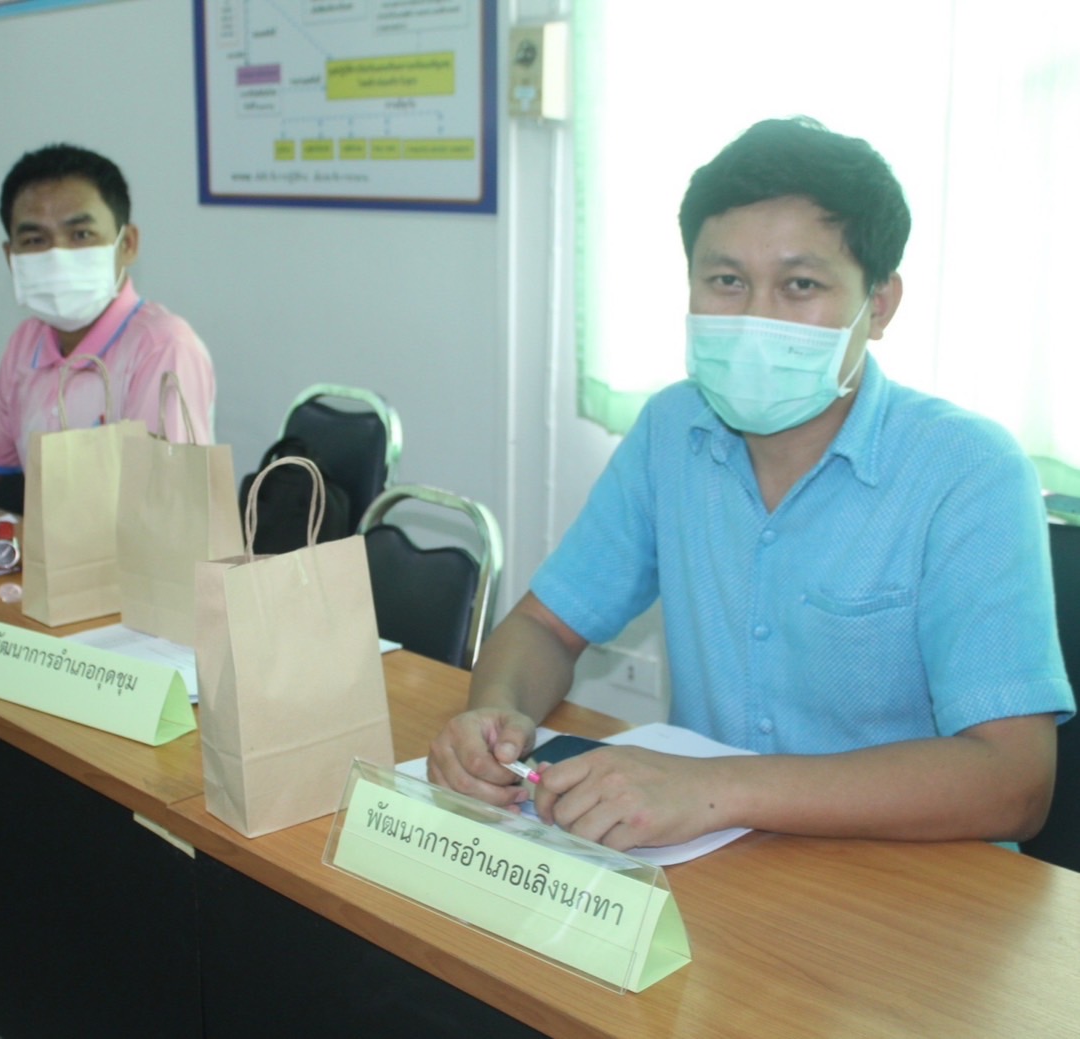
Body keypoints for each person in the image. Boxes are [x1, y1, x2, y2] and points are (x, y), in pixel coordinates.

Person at [428, 117, 1075, 852]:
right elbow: (547, 626)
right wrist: (495, 718)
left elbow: (1014, 781)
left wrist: (717, 788)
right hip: (715, 862)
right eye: (727, 281)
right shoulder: (672, 429)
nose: (757, 319)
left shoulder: (968, 469)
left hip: (913, 882)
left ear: (879, 304)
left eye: (800, 285)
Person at [0, 143, 216, 570]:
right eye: (35, 240)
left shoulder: (164, 348)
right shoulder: (28, 341)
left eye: (81, 235)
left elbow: (164, 532)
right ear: (10, 257)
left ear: (127, 244)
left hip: (134, 597)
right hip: (44, 585)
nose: (58, 256)